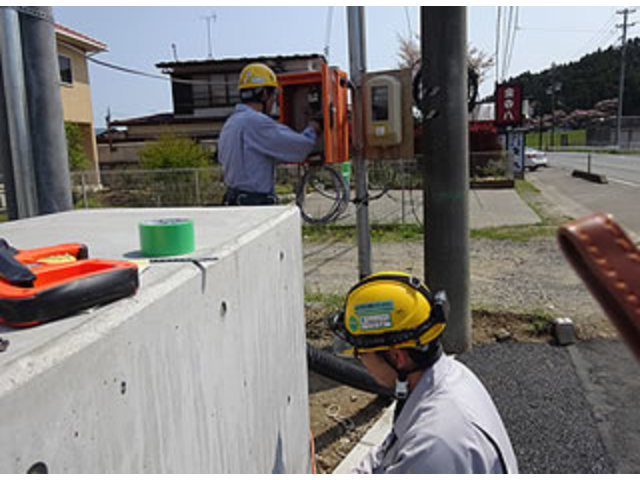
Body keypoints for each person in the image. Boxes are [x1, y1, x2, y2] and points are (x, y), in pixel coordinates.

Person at [329, 271, 519, 474]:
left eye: (361, 354)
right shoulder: (447, 377)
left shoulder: (434, 443)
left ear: (397, 357)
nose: (362, 362)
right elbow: (388, 450)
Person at [218, 62, 321, 206]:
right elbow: (302, 146)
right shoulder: (257, 123)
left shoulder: (231, 123)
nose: (274, 101)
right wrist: (313, 127)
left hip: (234, 202)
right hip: (253, 205)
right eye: (274, 96)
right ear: (265, 94)